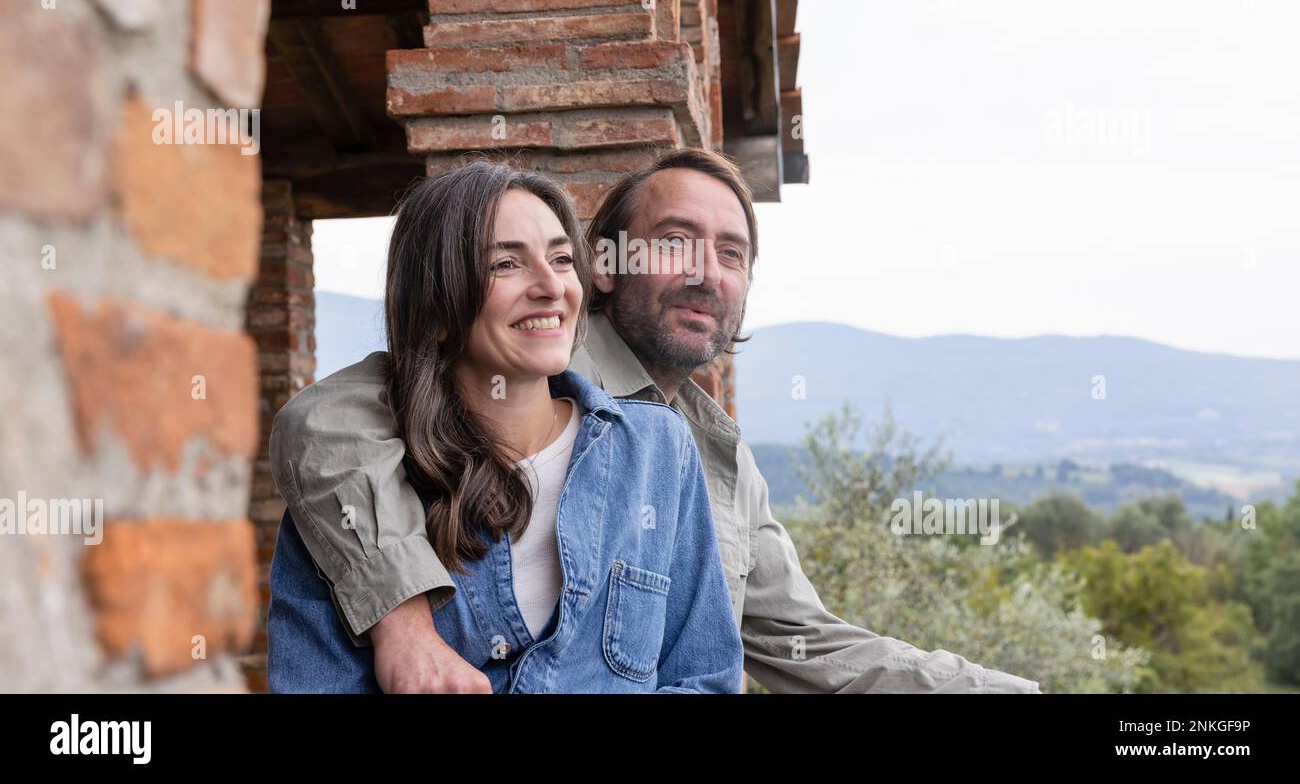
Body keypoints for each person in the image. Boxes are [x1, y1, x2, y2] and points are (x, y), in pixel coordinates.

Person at [272, 148, 1040, 693]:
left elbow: (795, 643)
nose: (709, 271)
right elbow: (321, 422)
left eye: (733, 253)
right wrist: (402, 623)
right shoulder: (483, 373)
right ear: (606, 261)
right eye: (677, 241)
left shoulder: (699, 451)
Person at [266, 161, 743, 693]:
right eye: (506, 264)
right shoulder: (354, 498)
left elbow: (704, 678)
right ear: (438, 308)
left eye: (561, 259)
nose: (550, 286)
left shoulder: (657, 449)